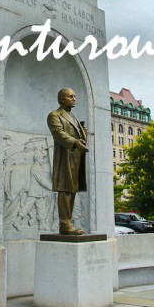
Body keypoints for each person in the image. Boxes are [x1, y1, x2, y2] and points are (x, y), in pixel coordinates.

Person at [47, 88, 88, 235]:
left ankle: (68, 222)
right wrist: (76, 143)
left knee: (72, 190)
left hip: (76, 158)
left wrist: (82, 134)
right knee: (65, 190)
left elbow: (73, 134)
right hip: (65, 157)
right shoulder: (54, 115)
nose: (74, 98)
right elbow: (59, 134)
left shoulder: (72, 116)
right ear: (62, 99)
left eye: (75, 96)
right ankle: (64, 224)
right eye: (71, 96)